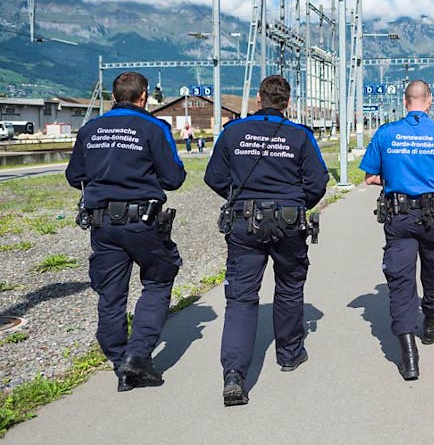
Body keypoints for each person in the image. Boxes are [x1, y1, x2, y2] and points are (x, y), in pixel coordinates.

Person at [204, 75, 329, 407]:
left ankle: (234, 375)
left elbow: (213, 176)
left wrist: (240, 199)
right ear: (286, 102)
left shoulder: (233, 132)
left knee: (242, 297)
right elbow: (318, 181)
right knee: (289, 286)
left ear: (259, 100)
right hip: (289, 223)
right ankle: (289, 355)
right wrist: (297, 204)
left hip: (244, 223)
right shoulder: (300, 135)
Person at [65, 71, 186, 392]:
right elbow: (174, 177)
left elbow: (74, 174)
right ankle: (137, 355)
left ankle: (119, 360)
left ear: (114, 96)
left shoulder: (91, 128)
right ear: (143, 96)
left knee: (110, 293)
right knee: (159, 279)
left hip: (102, 223)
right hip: (143, 222)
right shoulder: (154, 127)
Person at [359, 80, 434, 380]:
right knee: (433, 273)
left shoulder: (386, 133)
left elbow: (370, 178)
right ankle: (432, 319)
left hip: (400, 218)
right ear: (429, 101)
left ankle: (409, 357)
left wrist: (395, 180)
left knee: (400, 281)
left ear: (405, 101)